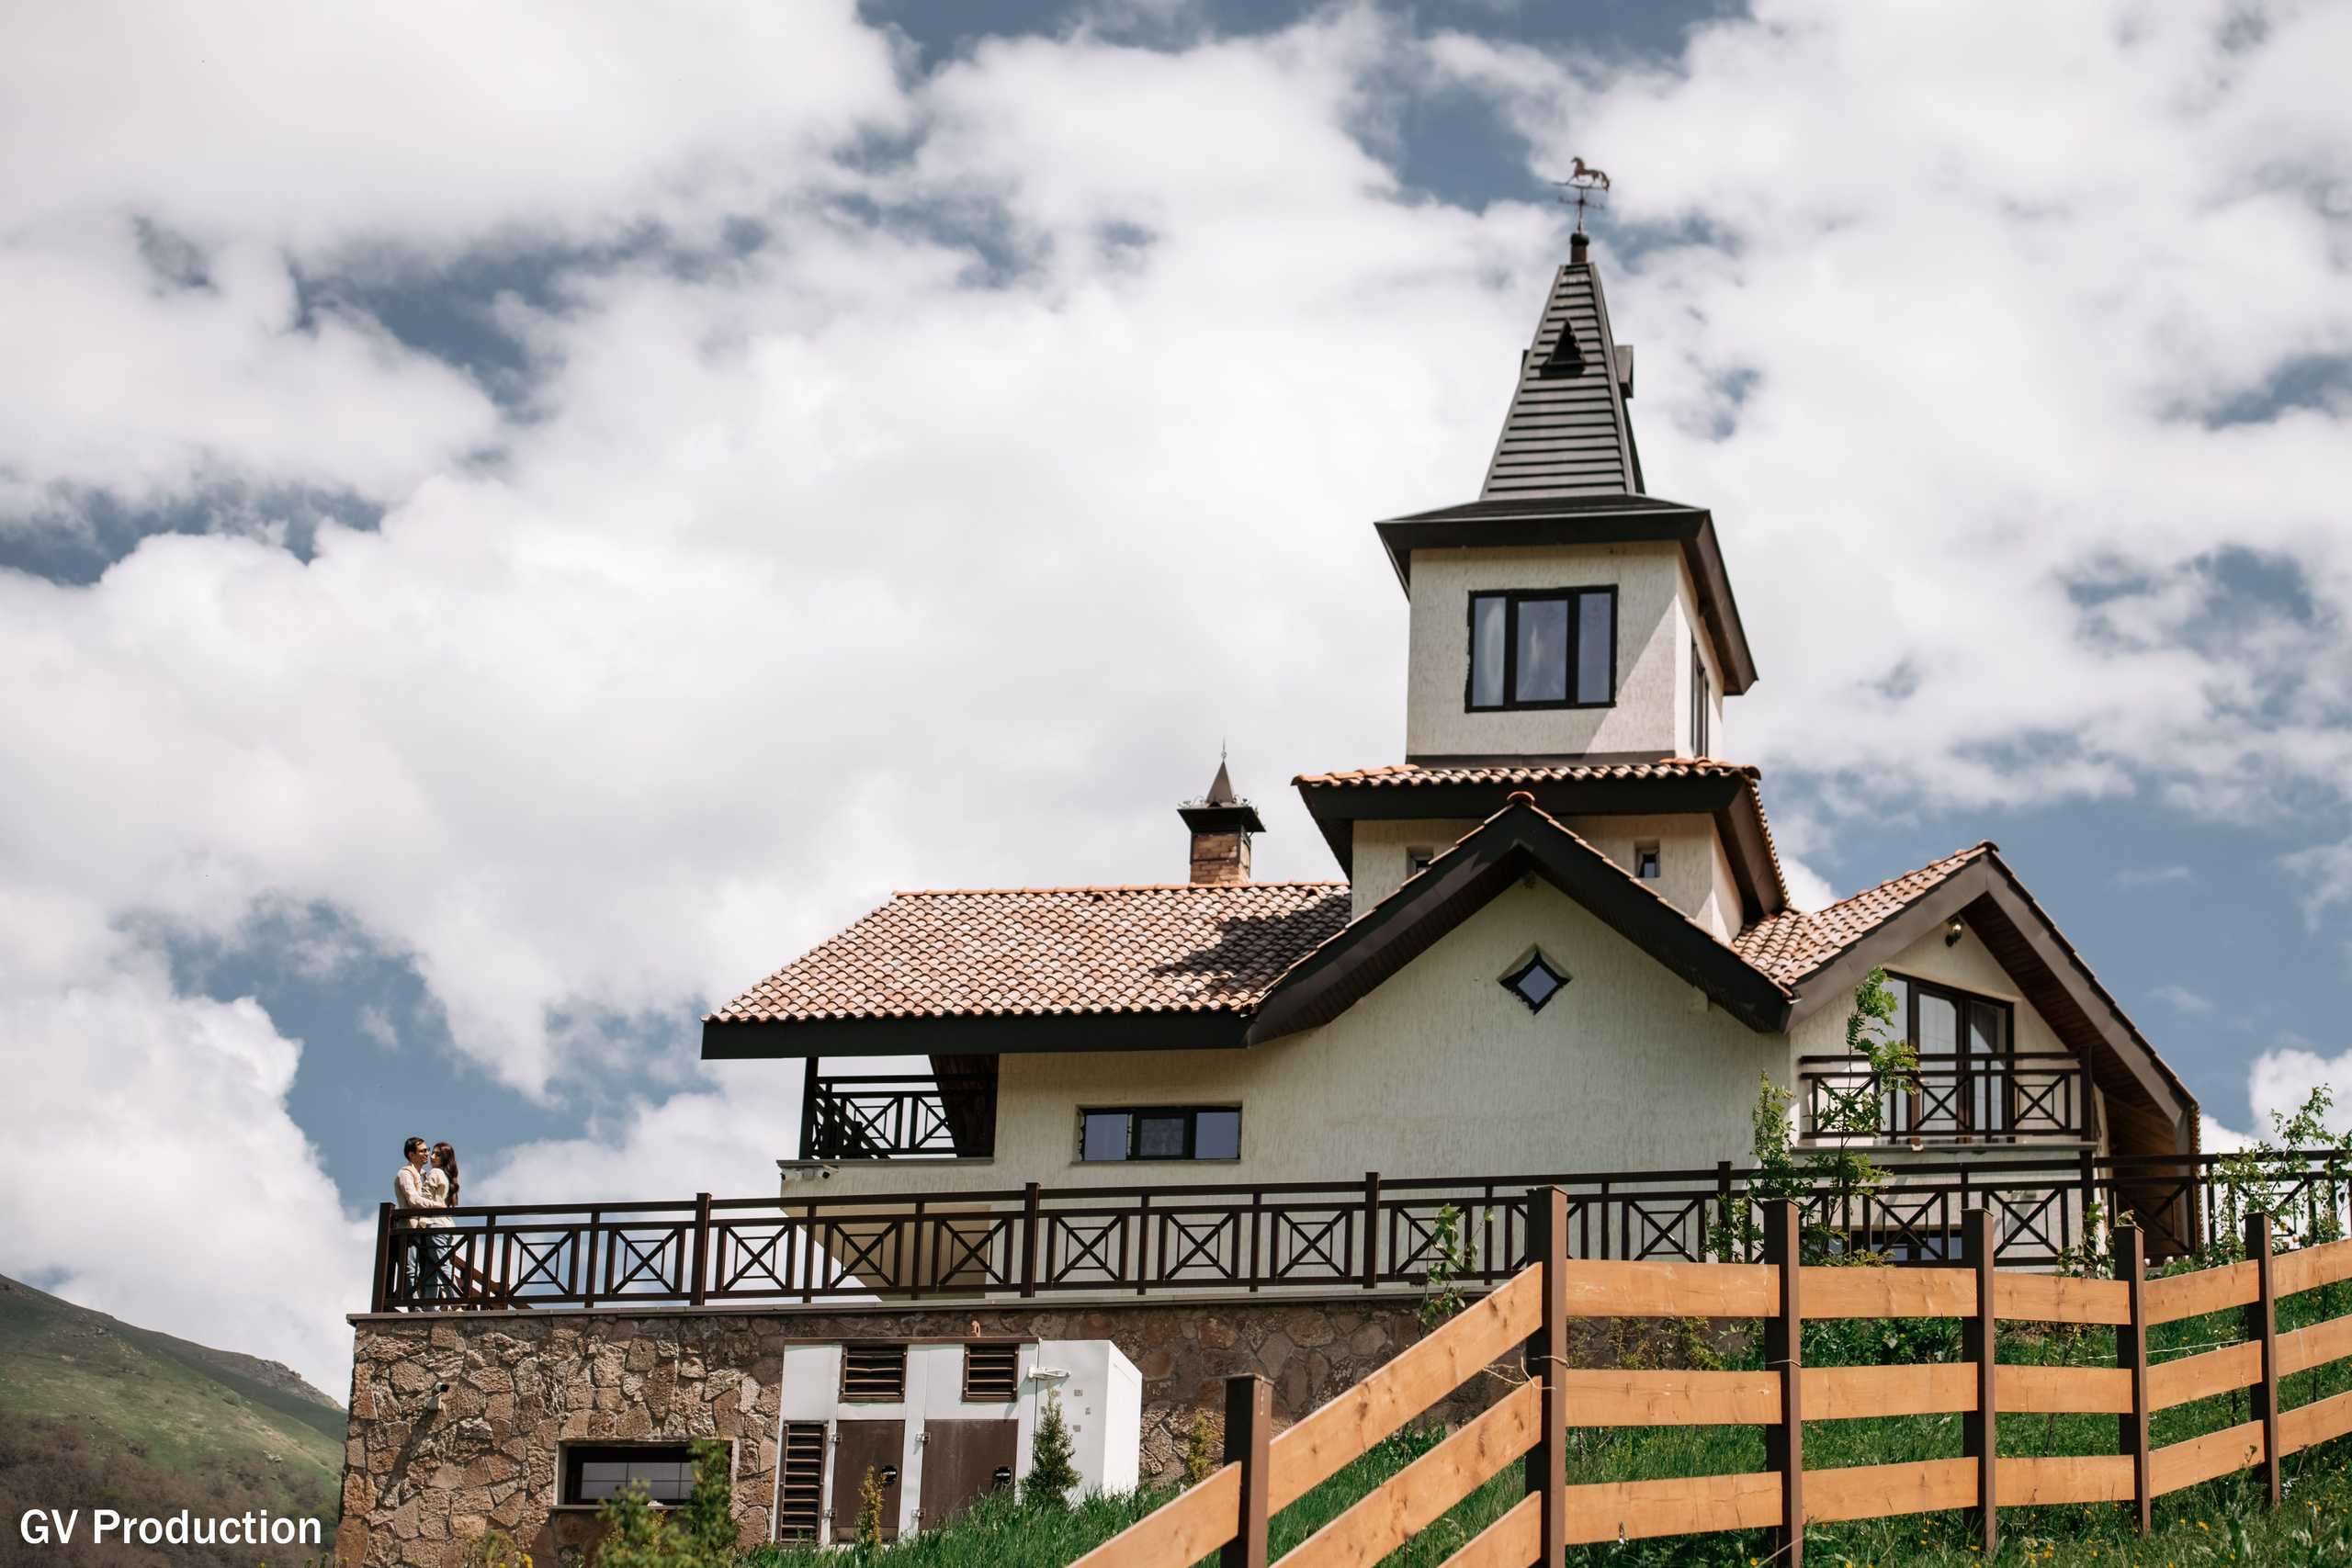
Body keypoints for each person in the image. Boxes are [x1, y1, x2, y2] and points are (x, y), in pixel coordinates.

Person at [391, 1137, 445, 1306]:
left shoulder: (425, 1175)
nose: (427, 1154)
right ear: (411, 1154)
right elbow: (413, 1200)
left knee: (429, 1268)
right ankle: (414, 1307)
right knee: (410, 1267)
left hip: (424, 1227)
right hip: (410, 1227)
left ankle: (428, 1305)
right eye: (422, 1151)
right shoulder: (405, 1174)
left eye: (426, 1150)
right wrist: (438, 1206)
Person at [423, 1143, 463, 1302]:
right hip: (446, 1225)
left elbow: (424, 1198)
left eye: (438, 1154)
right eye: (432, 1153)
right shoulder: (447, 1177)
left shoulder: (435, 1173)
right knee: (432, 1269)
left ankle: (455, 1302)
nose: (432, 1157)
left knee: (440, 1267)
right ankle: (428, 1306)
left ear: (445, 1158)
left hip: (435, 1224)